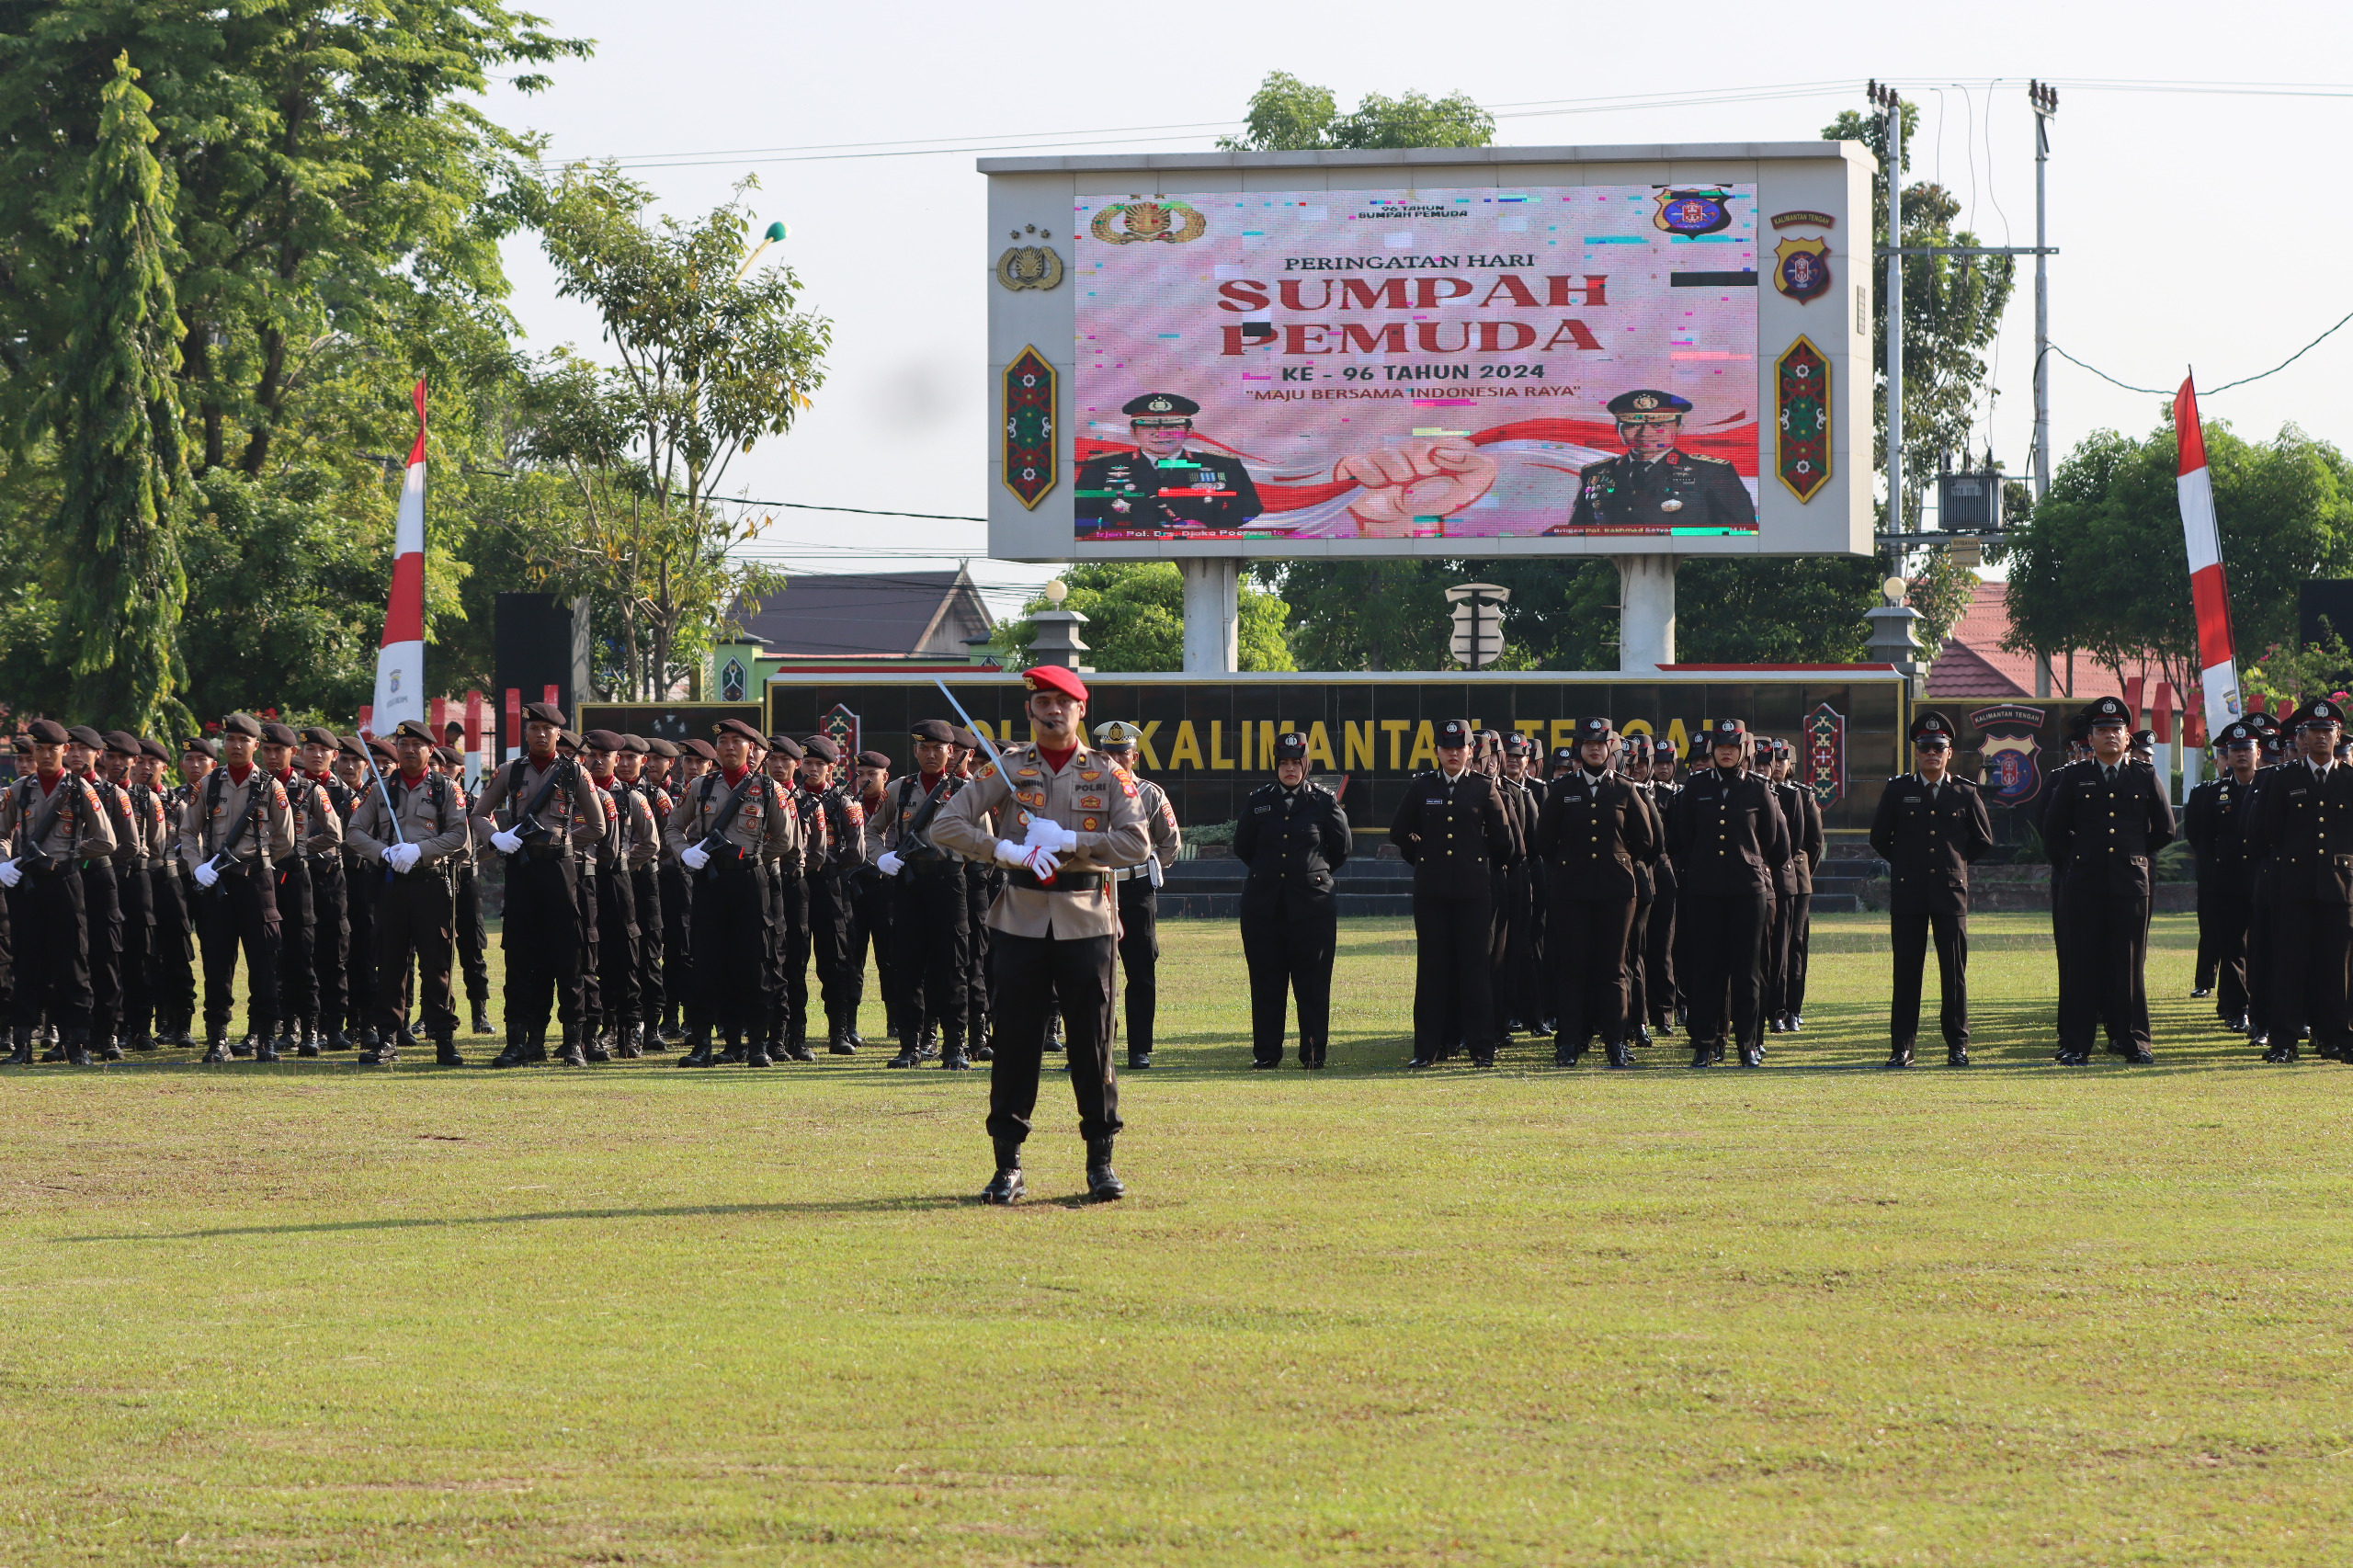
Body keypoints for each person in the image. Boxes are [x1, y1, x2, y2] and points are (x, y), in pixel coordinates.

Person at [932, 665, 1151, 1204]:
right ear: (1030, 711)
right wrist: (1004, 850)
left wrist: (1073, 838)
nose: (1054, 711)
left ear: (1082, 709)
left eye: (1064, 703)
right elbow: (946, 825)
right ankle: (1008, 1165)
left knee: (1093, 1043)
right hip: (1021, 917)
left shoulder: (1107, 773)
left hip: (1085, 917)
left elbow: (1137, 844)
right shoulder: (1005, 770)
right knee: (1015, 1042)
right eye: (1044, 703)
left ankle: (1100, 1162)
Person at [471, 701, 608, 1068]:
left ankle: (573, 1041)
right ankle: (519, 1041)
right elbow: (479, 814)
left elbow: (597, 827)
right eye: (535, 728)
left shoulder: (575, 773)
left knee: (568, 957)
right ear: (526, 733)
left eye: (549, 729)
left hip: (560, 871)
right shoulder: (510, 772)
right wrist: (497, 839)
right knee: (519, 956)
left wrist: (562, 841)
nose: (542, 734)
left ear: (559, 734)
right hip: (521, 867)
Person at [2040, 695, 2176, 1065]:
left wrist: (2134, 854)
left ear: (2127, 736)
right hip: (2083, 883)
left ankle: (2135, 1042)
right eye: (2102, 730)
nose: (2110, 736)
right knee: (2082, 964)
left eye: (2116, 729)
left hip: (2130, 885)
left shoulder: (2144, 775)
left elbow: (2165, 829)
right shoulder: (2074, 776)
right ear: (2091, 737)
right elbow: (2053, 831)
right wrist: (2075, 862)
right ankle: (2076, 1044)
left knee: (2128, 966)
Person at [1869, 710, 1995, 1067]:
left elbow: (1983, 839)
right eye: (1925, 747)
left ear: (1949, 752)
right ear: (1916, 751)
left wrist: (1956, 863)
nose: (1931, 754)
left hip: (1950, 893)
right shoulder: (1899, 791)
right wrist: (1907, 862)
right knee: (1906, 972)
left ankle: (1958, 1045)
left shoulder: (1964, 792)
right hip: (1909, 893)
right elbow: (1879, 837)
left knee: (1953, 973)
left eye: (1938, 748)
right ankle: (1903, 1047)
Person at [343, 720, 472, 1064]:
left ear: (431, 750)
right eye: (403, 744)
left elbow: (458, 834)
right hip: (391, 886)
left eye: (417, 744)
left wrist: (421, 850)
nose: (410, 750)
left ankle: (443, 1037)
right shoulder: (380, 789)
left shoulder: (446, 789)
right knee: (390, 962)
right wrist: (382, 853)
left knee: (436, 963)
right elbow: (354, 833)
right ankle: (387, 1037)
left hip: (431, 883)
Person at [1390, 718, 1517, 1069]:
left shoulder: (1483, 788)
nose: (1453, 754)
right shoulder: (1421, 787)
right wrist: (1424, 855)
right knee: (1432, 970)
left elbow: (1503, 841)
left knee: (1475, 971)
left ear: (1470, 751)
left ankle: (1481, 1049)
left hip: (1473, 892)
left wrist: (1476, 860)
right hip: (1432, 892)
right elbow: (1400, 831)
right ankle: (1427, 1049)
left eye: (1459, 748)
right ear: (1436, 752)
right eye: (1446, 748)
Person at [1533, 717, 1658, 1067]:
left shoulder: (1624, 788)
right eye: (1587, 744)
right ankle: (1570, 1042)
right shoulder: (1561, 790)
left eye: (1600, 744)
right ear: (1580, 749)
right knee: (1573, 967)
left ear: (1609, 749)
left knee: (1614, 968)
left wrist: (1618, 860)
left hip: (1616, 891)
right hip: (1571, 890)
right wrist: (1570, 865)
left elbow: (1645, 840)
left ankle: (1615, 1042)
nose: (1593, 749)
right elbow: (1544, 841)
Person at [1666, 719, 1789, 1068]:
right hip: (1704, 891)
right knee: (1706, 970)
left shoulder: (1758, 789)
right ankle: (1705, 1043)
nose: (1725, 751)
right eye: (1720, 746)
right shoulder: (1695, 787)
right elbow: (1680, 839)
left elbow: (1776, 844)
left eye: (1732, 746)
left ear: (1742, 751)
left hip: (1746, 892)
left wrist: (1749, 862)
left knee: (1747, 972)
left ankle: (1747, 1044)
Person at [179, 713, 294, 1062]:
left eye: (243, 740)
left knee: (264, 962)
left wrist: (257, 860)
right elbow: (187, 831)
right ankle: (217, 1039)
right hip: (217, 883)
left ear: (256, 746)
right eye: (230, 739)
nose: (235, 745)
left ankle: (265, 1037)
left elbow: (285, 838)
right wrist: (198, 867)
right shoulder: (209, 784)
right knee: (216, 961)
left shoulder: (270, 785)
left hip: (256, 882)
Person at [0, 719, 116, 1065]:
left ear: (65, 750)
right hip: (28, 885)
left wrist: (72, 855)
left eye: (53, 749)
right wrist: (4, 861)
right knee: (27, 962)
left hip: (65, 883)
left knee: (73, 964)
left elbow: (106, 840)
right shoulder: (20, 789)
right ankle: (22, 1044)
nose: (46, 755)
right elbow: (2, 833)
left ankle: (76, 1043)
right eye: (40, 749)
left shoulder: (80, 789)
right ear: (33, 751)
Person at [1233, 728, 1349, 1069]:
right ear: (1276, 766)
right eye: (1283, 763)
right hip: (1264, 908)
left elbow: (1340, 850)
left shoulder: (1323, 802)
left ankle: (1313, 1053)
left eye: (1295, 763)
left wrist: (1308, 874)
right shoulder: (1258, 801)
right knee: (1267, 982)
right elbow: (1244, 846)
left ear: (1306, 765)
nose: (1289, 769)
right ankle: (1267, 1054)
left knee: (1312, 983)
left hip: (1311, 908)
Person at [2246, 699, 2353, 1063]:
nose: (2322, 737)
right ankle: (2284, 1041)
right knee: (2289, 966)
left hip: (2340, 889)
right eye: (2314, 732)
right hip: (2292, 888)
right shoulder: (2282, 778)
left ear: (2338, 735)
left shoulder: (2350, 779)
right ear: (2302, 737)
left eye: (2328, 731)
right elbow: (2262, 833)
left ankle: (2336, 1038)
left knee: (2336, 968)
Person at [875, 721, 973, 1070]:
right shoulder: (901, 789)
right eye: (924, 748)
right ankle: (909, 1046)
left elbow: (985, 837)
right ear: (915, 751)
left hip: (949, 883)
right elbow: (873, 831)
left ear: (951, 752)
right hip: (909, 884)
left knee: (952, 967)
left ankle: (954, 1048)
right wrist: (881, 857)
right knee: (907, 966)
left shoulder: (966, 789)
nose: (931, 755)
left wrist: (962, 859)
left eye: (938, 749)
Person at [1093, 721, 1181, 1070]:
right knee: (1092, 973)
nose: (1115, 759)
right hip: (1093, 889)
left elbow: (1170, 841)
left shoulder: (1150, 794)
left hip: (1135, 889)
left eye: (1122, 753)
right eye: (1108, 753)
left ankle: (1139, 1048)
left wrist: (1152, 865)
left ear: (1135, 756)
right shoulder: (1081, 794)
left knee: (1141, 970)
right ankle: (1096, 1046)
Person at [1546, 390, 1756, 535]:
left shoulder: (1711, 472)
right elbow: (1577, 532)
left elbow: (1742, 530)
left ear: (1679, 427)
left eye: (1658, 425)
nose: (1645, 433)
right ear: (1618, 428)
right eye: (1632, 424)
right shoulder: (1597, 473)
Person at [258, 721, 342, 1057]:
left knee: (302, 954)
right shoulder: (255, 786)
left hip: (296, 876)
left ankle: (309, 1029)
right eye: (267, 750)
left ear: (292, 753)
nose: (273, 756)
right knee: (271, 955)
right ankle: (284, 1026)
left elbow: (334, 834)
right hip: (262, 876)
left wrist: (301, 848)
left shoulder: (309, 789)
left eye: (279, 750)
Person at [1073, 392, 1263, 535]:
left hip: (1200, 550)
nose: (1161, 433)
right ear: (1133, 431)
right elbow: (1079, 516)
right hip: (1124, 557)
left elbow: (1250, 507)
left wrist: (1209, 527)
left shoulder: (1222, 465)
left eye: (1173, 426)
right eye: (1148, 425)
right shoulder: (1101, 467)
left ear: (1189, 431)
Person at [580, 731, 656, 1060]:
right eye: (592, 754)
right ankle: (593, 1029)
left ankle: (631, 1028)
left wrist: (623, 862)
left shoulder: (630, 797)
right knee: (585, 954)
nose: (597, 760)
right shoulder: (570, 791)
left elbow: (651, 842)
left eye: (605, 755)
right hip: (580, 879)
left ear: (616, 759)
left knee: (624, 955)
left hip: (614, 880)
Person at [2184, 721, 2262, 1032]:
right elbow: (2202, 838)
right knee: (2231, 948)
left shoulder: (2270, 786)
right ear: (2226, 755)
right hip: (2227, 881)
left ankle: (2263, 1009)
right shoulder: (2216, 793)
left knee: (2263, 947)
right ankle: (2237, 1008)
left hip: (2261, 878)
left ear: (2257, 752)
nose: (2240, 755)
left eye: (2246, 749)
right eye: (2234, 750)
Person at [796, 735, 870, 1051]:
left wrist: (833, 867)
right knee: (792, 960)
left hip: (830, 884)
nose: (812, 769)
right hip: (796, 883)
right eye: (807, 763)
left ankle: (838, 1033)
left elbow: (857, 852)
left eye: (819, 764)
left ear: (832, 767)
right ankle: (794, 1035)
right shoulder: (788, 797)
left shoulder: (843, 801)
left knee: (836, 959)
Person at [1768, 738, 1825, 1033]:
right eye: (1772, 760)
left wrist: (1802, 873)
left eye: (1781, 760)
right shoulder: (1758, 791)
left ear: (1790, 764)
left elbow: (1814, 843)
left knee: (1795, 945)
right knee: (1771, 946)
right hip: (1765, 879)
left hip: (1797, 879)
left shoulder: (1801, 796)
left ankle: (1793, 1008)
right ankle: (1773, 1007)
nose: (1776, 766)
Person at [617, 736, 670, 1046]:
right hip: (614, 880)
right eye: (620, 757)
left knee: (650, 953)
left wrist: (631, 861)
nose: (624, 763)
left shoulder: (657, 796)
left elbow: (671, 837)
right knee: (617, 952)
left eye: (631, 758)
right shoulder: (601, 792)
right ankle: (616, 1024)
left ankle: (651, 1026)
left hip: (647, 879)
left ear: (643, 761)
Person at [848, 749, 903, 1048]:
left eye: (873, 774)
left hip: (887, 889)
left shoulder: (896, 804)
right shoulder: (849, 804)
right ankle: (850, 1023)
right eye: (861, 774)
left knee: (890, 958)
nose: (866, 779)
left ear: (886, 777)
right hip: (856, 889)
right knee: (852, 958)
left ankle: (894, 1021)